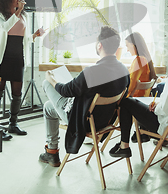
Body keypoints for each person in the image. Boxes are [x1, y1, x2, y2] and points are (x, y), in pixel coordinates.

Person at [39, 26, 130, 167]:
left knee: (46, 82)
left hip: (82, 121)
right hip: (104, 122)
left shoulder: (91, 72)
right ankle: (51, 152)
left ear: (99, 45)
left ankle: (52, 152)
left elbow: (65, 90)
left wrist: (51, 79)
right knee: (48, 107)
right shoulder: (124, 71)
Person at [108, 37, 168, 158]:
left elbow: (164, 109)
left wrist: (155, 108)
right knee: (141, 105)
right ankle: (141, 134)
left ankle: (124, 145)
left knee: (126, 102)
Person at [0, 0, 45, 140]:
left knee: (17, 94)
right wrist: (17, 11)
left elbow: (24, 39)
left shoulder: (23, 17)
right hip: (3, 58)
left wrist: (34, 35)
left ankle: (13, 124)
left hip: (18, 58)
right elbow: (5, 28)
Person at [125, 32, 158, 97]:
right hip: (144, 98)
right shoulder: (145, 59)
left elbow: (131, 86)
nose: (127, 50)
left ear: (133, 45)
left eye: (127, 46)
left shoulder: (139, 61)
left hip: (136, 99)